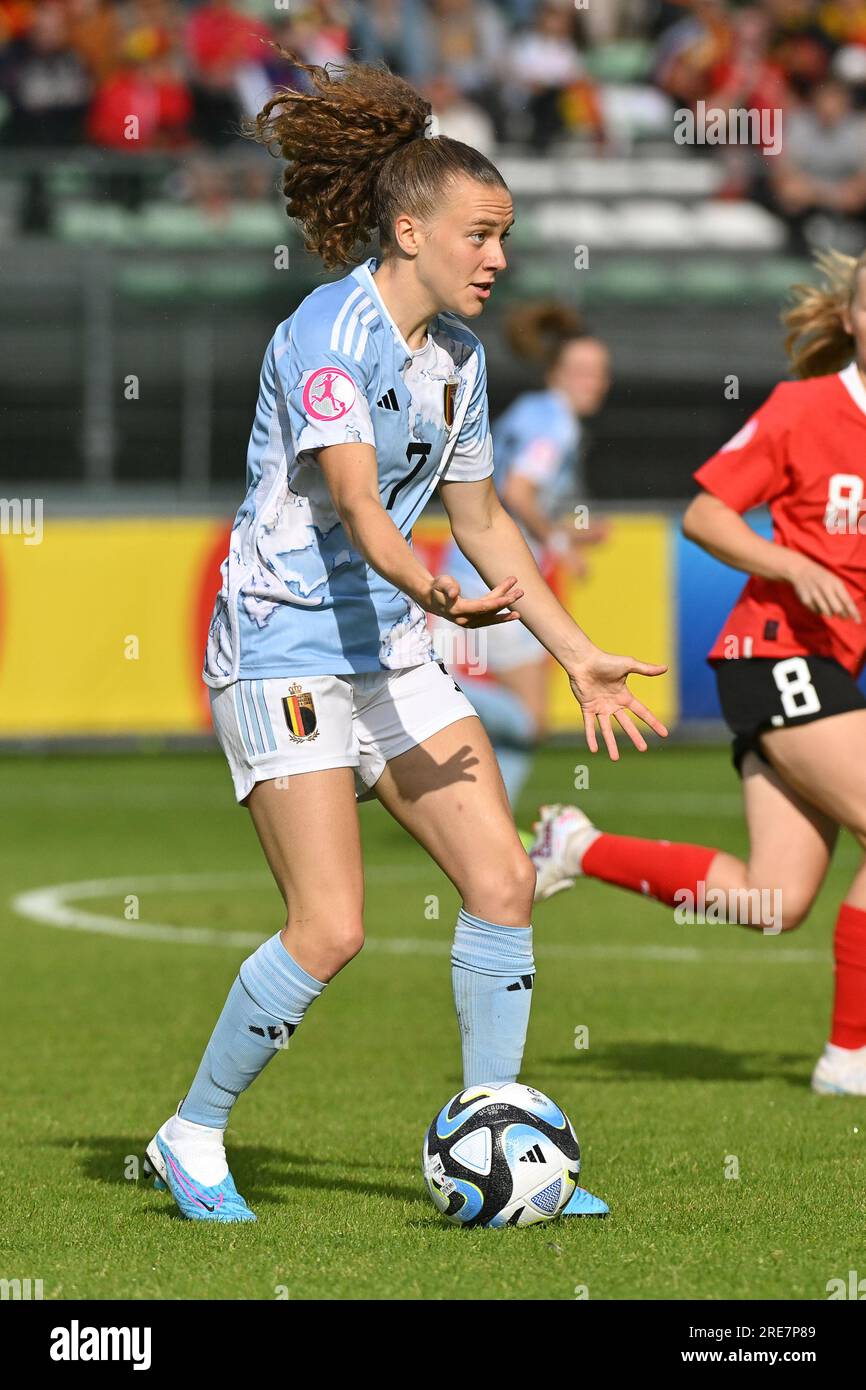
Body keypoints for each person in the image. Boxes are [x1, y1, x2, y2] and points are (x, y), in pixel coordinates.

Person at [144, 52, 667, 1222]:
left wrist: (573, 648)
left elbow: (480, 520)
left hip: (388, 649)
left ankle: (499, 1142)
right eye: (479, 235)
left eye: (505, 236)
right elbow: (371, 512)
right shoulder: (329, 336)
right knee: (329, 927)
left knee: (500, 881)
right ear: (406, 228)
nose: (497, 258)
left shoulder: (463, 362)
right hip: (283, 647)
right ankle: (192, 1133)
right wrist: (429, 595)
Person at [530, 248, 866, 1098]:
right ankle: (849, 1059)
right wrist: (790, 567)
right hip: (774, 654)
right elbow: (705, 513)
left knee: (775, 899)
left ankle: (578, 845)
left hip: (832, 671)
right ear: (852, 319)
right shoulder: (805, 408)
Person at [433, 302, 612, 806]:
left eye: (601, 373)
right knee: (532, 721)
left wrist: (570, 535)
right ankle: (410, 690)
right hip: (494, 578)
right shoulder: (555, 423)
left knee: (528, 724)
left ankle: (487, 820)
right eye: (584, 372)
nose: (595, 383)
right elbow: (518, 491)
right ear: (557, 372)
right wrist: (558, 542)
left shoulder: (531, 411)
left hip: (473, 568)